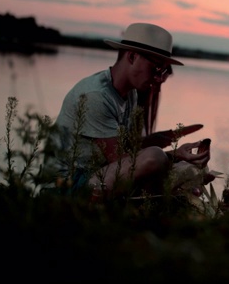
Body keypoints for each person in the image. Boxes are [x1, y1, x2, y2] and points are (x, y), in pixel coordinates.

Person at [45, 22, 214, 199]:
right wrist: (173, 155)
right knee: (155, 157)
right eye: (156, 68)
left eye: (163, 71)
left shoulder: (130, 94)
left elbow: (127, 154)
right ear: (132, 57)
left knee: (189, 168)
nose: (158, 78)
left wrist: (180, 158)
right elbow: (121, 162)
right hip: (67, 185)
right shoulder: (96, 96)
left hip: (97, 174)